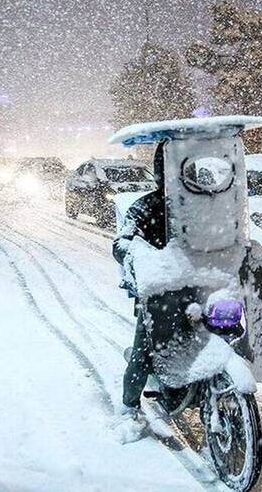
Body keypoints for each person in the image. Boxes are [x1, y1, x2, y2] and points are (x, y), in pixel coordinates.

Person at [112, 142, 167, 422]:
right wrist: (137, 252)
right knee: (144, 347)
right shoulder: (147, 206)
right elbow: (121, 243)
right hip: (161, 289)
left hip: (207, 285)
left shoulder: (214, 207)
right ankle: (129, 406)